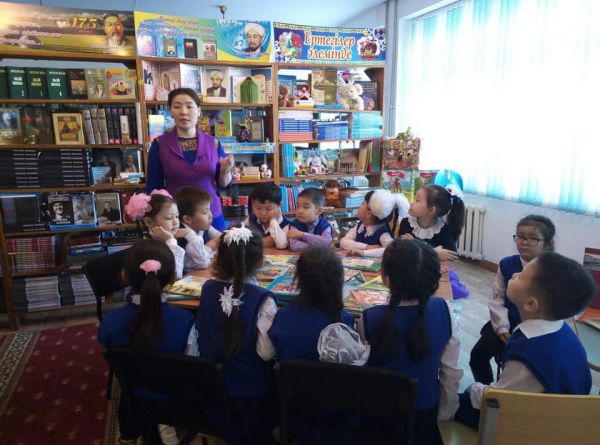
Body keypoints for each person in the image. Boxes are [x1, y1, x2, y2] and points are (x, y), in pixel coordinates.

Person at [455, 251, 596, 430]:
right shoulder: (563, 330)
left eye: (521, 275)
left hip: (535, 427)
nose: (514, 274)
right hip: (563, 416)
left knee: (447, 401)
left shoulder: (528, 353)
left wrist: (473, 388)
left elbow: (498, 399)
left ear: (530, 304)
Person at [358, 239, 463, 444]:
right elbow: (451, 373)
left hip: (378, 417)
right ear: (435, 280)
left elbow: (362, 372)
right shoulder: (444, 310)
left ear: (385, 278)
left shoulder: (369, 318)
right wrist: (445, 413)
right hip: (424, 414)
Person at [97, 240, 196, 445]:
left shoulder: (110, 322)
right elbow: (193, 362)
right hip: (174, 398)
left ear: (124, 275)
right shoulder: (186, 321)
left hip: (134, 393)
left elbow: (112, 351)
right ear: (173, 277)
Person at [195, 225, 277, 445]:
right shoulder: (264, 299)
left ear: (217, 260)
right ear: (261, 263)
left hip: (214, 385)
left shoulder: (207, 288)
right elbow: (266, 353)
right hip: (251, 391)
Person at [469, 215, 556, 385]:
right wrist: (502, 327)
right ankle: (488, 393)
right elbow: (497, 298)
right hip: (506, 323)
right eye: (520, 236)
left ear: (547, 244)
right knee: (477, 356)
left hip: (537, 330)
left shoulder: (551, 270)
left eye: (533, 238)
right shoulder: (507, 264)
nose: (524, 242)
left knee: (522, 367)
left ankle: (509, 390)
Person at [146, 88, 234, 231]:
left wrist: (225, 171)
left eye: (189, 106)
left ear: (199, 111)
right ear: (170, 111)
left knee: (216, 245)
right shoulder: (159, 144)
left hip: (210, 214)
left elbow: (224, 185)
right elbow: (153, 188)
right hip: (175, 217)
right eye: (177, 106)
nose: (183, 112)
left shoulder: (214, 143)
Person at [269, 247, 357, 362]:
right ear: (338, 280)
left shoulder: (283, 316)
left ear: (299, 279)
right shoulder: (345, 320)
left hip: (287, 374)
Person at [125, 189, 186, 279]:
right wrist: (170, 241)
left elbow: (202, 263)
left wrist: (191, 234)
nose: (176, 222)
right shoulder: (147, 250)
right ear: (149, 222)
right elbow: (175, 277)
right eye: (169, 218)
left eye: (177, 216)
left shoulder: (176, 239)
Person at [398, 184, 465, 261]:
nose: (411, 203)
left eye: (417, 200)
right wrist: (433, 252)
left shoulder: (444, 230)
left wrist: (415, 246)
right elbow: (401, 250)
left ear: (431, 210)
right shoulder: (406, 223)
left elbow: (452, 256)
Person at [340, 189, 408, 257]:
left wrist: (364, 253)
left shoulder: (383, 233)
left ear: (368, 214)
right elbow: (343, 242)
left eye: (363, 203)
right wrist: (366, 247)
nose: (359, 206)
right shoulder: (361, 226)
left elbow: (390, 250)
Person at [174, 186, 221, 271]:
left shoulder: (201, 226)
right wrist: (212, 244)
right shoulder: (180, 236)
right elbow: (202, 262)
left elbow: (221, 237)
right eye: (205, 212)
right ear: (188, 219)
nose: (211, 215)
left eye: (209, 210)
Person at [245, 182, 290, 249]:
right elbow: (240, 240)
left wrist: (273, 221)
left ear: (279, 205)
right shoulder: (250, 220)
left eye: (268, 209)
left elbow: (281, 245)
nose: (263, 213)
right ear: (252, 204)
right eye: (258, 208)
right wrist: (264, 242)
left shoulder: (286, 225)